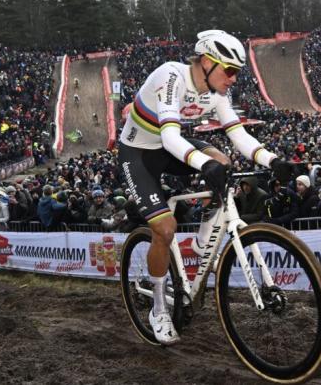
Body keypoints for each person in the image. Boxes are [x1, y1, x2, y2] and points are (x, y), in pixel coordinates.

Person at [117, 29, 293, 345]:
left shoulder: (216, 94)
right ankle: (158, 309)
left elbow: (239, 136)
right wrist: (202, 164)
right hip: (140, 153)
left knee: (222, 161)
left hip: (170, 147)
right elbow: (170, 137)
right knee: (165, 228)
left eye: (237, 72)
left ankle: (205, 237)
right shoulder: (171, 76)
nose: (234, 79)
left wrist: (272, 160)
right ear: (207, 62)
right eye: (230, 70)